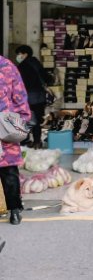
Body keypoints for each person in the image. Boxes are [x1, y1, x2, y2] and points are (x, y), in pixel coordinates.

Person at [0, 54, 32, 224]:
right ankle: (14, 211)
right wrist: (22, 118)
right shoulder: (7, 65)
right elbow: (19, 95)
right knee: (8, 169)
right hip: (5, 123)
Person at [15, 45, 52, 148]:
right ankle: (37, 141)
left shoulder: (22, 67)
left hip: (28, 97)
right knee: (36, 120)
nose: (18, 56)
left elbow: (19, 84)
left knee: (25, 120)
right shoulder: (36, 63)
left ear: (25, 54)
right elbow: (47, 78)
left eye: (19, 54)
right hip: (40, 97)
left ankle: (25, 142)